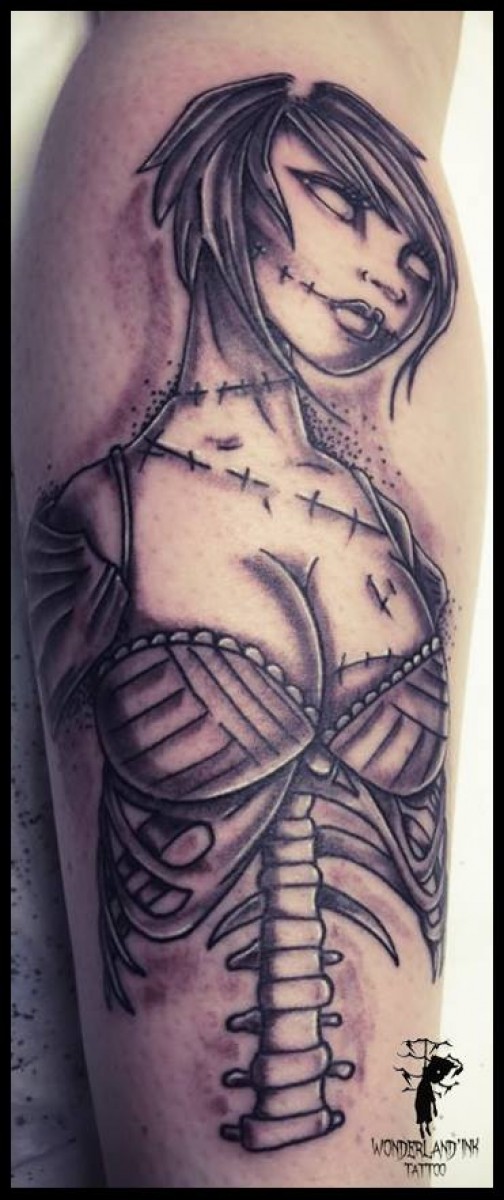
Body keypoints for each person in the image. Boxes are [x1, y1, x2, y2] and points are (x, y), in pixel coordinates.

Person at [13, 11, 486, 1187]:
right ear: (225, 189)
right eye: (342, 204)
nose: (394, 267)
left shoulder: (387, 534)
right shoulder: (121, 516)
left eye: (407, 245)